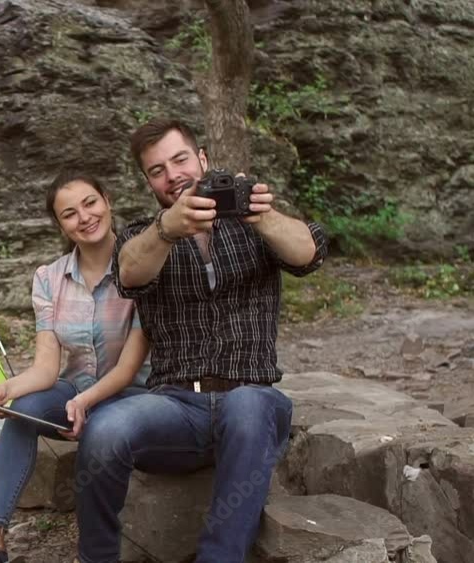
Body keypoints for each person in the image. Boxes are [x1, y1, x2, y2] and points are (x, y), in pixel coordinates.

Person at [73, 118, 328, 563]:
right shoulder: (142, 235)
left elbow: (309, 253)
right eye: (157, 170)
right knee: (104, 429)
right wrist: (167, 229)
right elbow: (130, 272)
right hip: (176, 407)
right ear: (148, 182)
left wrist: (263, 216)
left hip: (251, 397)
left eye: (180, 160)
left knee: (247, 405)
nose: (172, 175)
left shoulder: (253, 224)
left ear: (203, 159)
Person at [0, 171, 152, 563]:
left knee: (102, 428)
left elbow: (128, 368)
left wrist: (86, 402)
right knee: (21, 410)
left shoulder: (139, 267)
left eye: (90, 203)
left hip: (130, 395)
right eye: (69, 213)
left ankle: (93, 551)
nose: (84, 217)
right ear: (60, 224)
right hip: (73, 391)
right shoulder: (48, 278)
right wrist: (7, 390)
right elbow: (46, 369)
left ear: (107, 201)